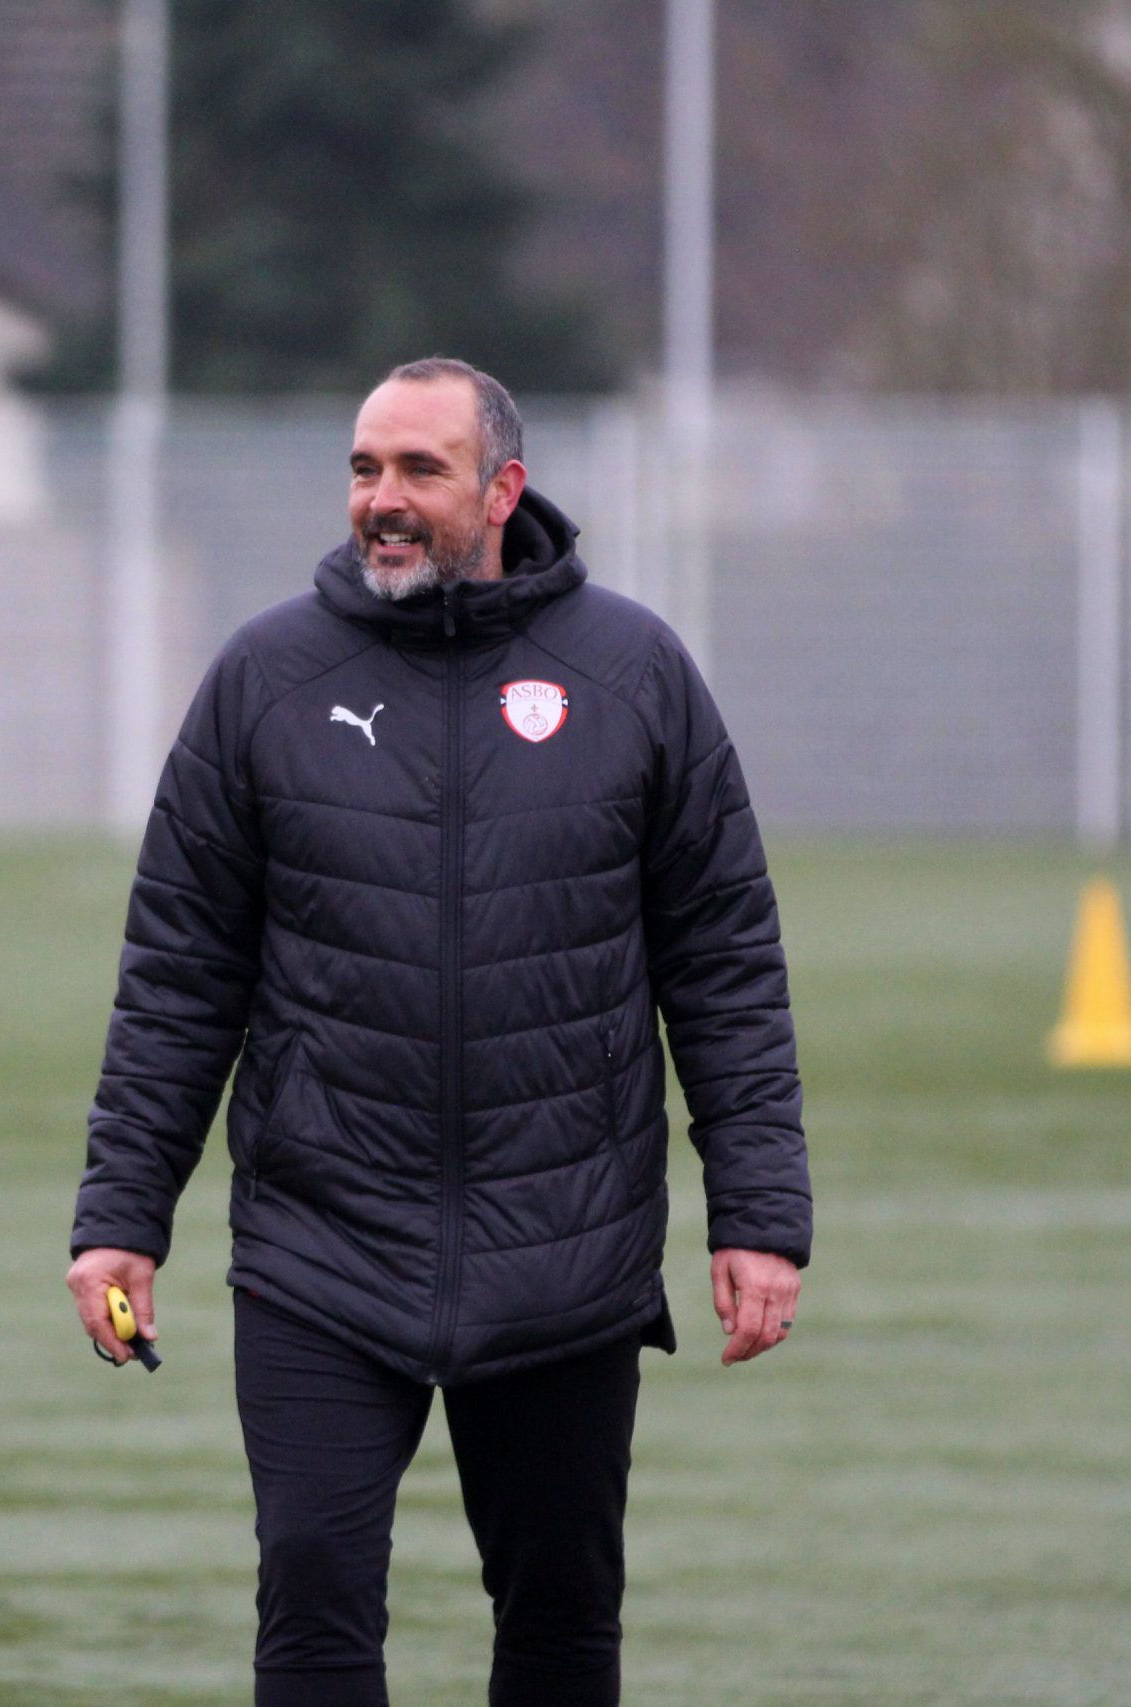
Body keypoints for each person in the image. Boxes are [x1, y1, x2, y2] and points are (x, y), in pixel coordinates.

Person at [66, 357, 811, 1705]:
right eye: (365, 469)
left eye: (421, 469)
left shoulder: (634, 671)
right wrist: (122, 1211)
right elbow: (179, 972)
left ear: (503, 489)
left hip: (564, 1240)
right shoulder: (264, 678)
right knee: (311, 1594)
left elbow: (723, 961)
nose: (384, 499)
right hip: (321, 1242)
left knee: (563, 1616)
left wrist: (758, 1211)